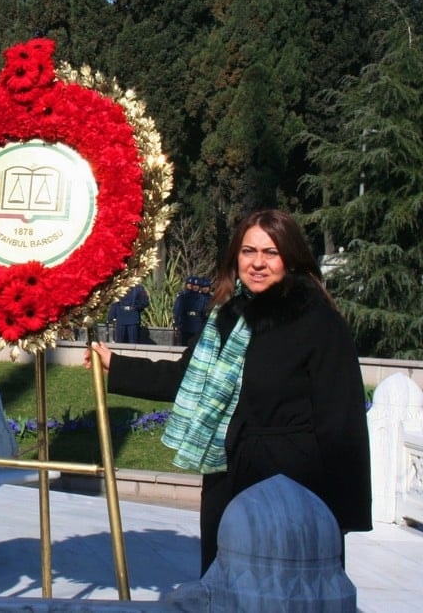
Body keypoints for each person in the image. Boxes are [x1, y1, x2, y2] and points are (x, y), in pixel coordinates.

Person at [86, 209, 372, 575]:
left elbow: (342, 421)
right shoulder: (227, 316)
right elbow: (183, 377)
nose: (257, 263)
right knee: (223, 584)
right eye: (248, 251)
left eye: (270, 253)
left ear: (292, 258)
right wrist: (116, 363)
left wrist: (344, 512)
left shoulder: (318, 321)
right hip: (227, 473)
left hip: (293, 485)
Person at [172, 276, 204, 347]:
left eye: (197, 286)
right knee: (184, 345)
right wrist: (177, 323)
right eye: (194, 285)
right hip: (185, 324)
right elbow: (178, 310)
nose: (195, 287)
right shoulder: (183, 296)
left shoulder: (202, 298)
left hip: (197, 324)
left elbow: (204, 312)